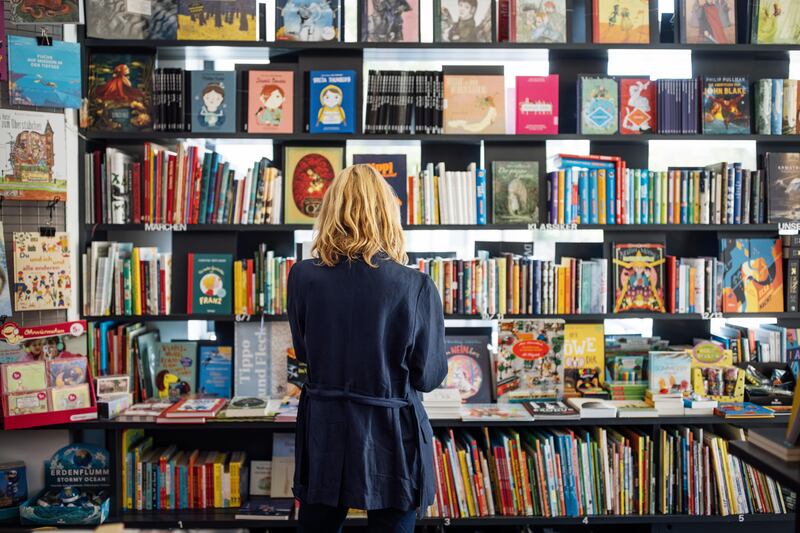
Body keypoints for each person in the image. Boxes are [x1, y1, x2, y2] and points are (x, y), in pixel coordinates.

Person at [288, 164, 447, 533]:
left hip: (324, 429)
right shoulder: (416, 284)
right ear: (387, 214)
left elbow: (305, 353)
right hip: (391, 433)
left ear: (330, 210)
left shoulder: (302, 276)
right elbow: (427, 377)